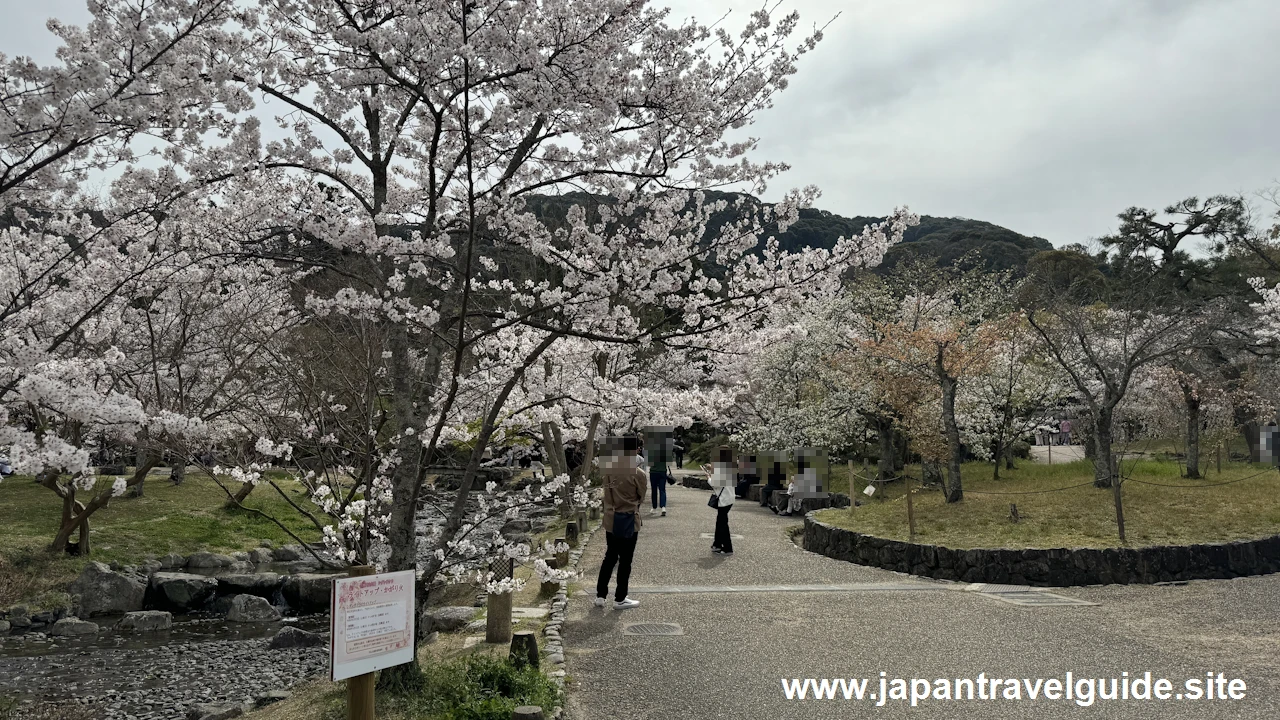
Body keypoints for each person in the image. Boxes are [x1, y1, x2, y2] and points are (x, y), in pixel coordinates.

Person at [595, 436, 647, 610]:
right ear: (636, 451)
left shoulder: (609, 471)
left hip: (611, 518)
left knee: (610, 557)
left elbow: (606, 495)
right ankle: (620, 597)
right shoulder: (639, 474)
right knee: (625, 560)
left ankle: (600, 595)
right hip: (630, 519)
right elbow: (641, 497)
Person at [707, 445, 736, 555]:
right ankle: (717, 544)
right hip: (729, 498)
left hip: (724, 499)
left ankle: (727, 547)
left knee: (722, 523)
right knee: (721, 522)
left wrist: (708, 477)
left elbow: (716, 484)